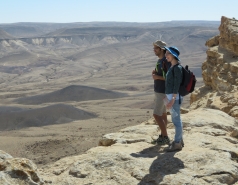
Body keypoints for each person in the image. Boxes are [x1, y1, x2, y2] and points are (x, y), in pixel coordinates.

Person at [164, 46, 184, 152]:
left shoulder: (177, 68)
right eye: (166, 53)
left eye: (168, 53)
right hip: (172, 97)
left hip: (175, 99)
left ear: (173, 55)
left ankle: (177, 144)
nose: (166, 55)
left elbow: (176, 85)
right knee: (176, 120)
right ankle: (179, 140)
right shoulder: (172, 67)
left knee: (176, 121)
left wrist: (172, 99)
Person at [151, 40, 171, 145]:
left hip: (162, 91)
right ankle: (163, 136)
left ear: (162, 49)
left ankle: (165, 137)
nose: (154, 50)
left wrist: (156, 77)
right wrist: (155, 74)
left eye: (156, 48)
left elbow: (169, 77)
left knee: (156, 115)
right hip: (160, 90)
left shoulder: (165, 61)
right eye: (154, 48)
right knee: (163, 114)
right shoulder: (160, 60)